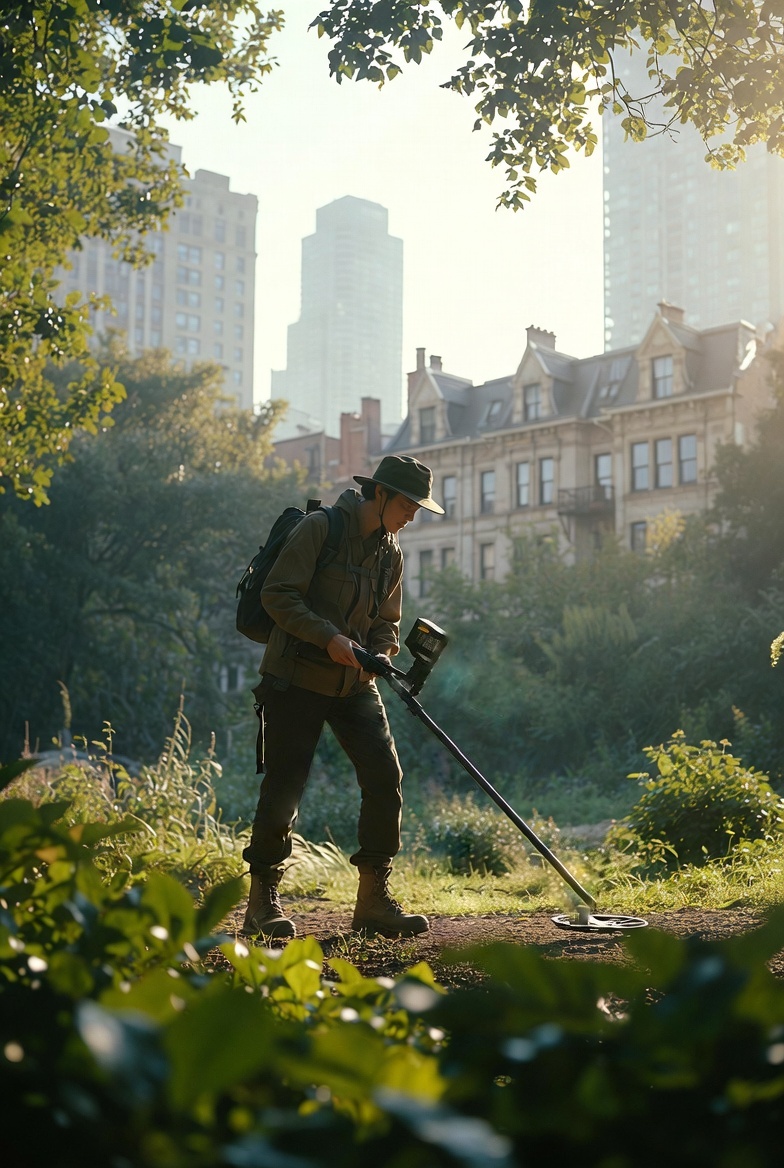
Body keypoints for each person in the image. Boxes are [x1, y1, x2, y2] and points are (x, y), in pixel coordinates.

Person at [241, 454, 445, 940]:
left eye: (418, 508)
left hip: (354, 684)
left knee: (385, 778)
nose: (412, 515)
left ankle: (373, 902)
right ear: (380, 493)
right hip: (295, 678)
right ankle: (262, 904)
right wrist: (329, 638)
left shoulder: (391, 551)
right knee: (284, 789)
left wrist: (381, 653)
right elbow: (278, 595)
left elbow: (387, 621)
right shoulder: (320, 529)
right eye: (408, 504)